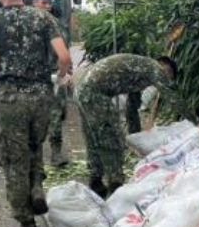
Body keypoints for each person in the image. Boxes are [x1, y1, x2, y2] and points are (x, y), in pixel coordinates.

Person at [0, 0, 70, 227]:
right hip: (42, 96)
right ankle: (37, 186)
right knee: (34, 145)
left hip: (12, 99)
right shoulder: (43, 19)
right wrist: (59, 77)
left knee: (14, 159)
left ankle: (27, 224)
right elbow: (64, 57)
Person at [74, 54, 178, 197]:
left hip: (83, 90)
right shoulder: (153, 68)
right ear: (167, 70)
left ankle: (96, 181)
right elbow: (173, 98)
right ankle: (115, 184)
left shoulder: (142, 65)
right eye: (168, 77)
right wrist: (196, 121)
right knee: (111, 137)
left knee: (94, 137)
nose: (164, 81)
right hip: (95, 94)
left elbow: (134, 96)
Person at [31, 0, 69, 167]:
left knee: (55, 116)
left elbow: (64, 51)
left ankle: (56, 153)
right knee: (32, 117)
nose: (47, 7)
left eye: (49, 3)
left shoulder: (55, 24)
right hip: (31, 77)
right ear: (34, 3)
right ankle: (32, 155)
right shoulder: (25, 22)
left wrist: (63, 74)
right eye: (43, 3)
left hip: (53, 75)